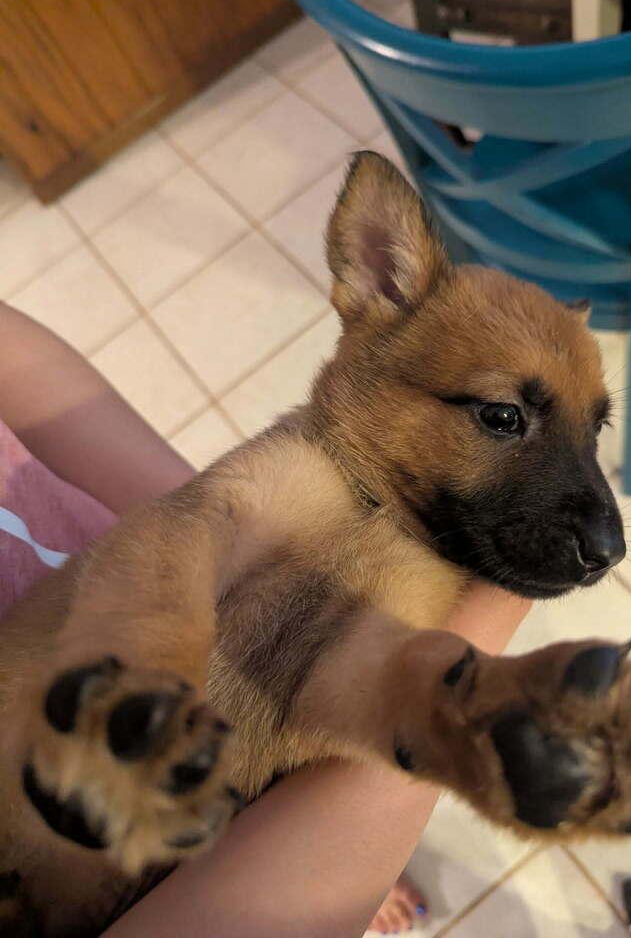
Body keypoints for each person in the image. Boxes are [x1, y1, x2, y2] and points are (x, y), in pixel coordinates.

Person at [0, 302, 530, 937]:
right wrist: (484, 622)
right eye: (501, 419)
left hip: (124, 583)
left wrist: (230, 523)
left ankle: (329, 826)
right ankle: (332, 830)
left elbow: (18, 357)